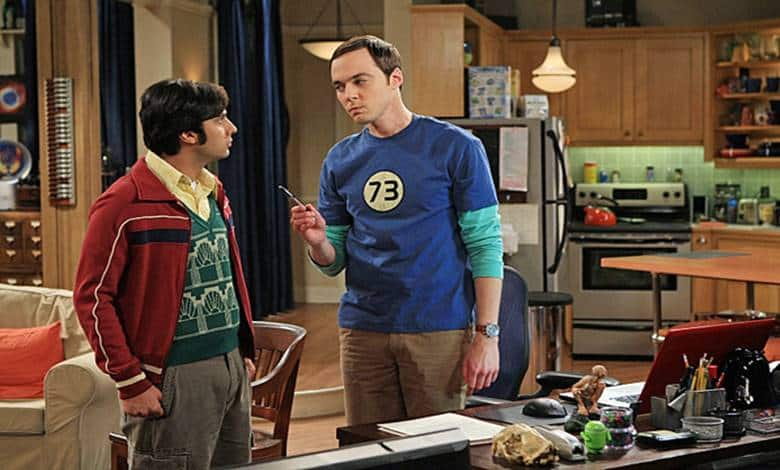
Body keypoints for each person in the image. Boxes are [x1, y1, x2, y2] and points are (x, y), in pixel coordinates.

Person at [289, 35, 504, 425]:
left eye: (360, 81)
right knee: (368, 447)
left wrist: (487, 335)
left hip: (438, 328)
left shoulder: (456, 147)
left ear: (395, 78)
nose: (349, 95)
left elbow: (485, 245)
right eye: (339, 86)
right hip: (363, 329)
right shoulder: (339, 159)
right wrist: (318, 242)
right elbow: (332, 262)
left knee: (437, 447)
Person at [73, 79, 256, 469]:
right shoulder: (123, 203)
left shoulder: (213, 191)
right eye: (220, 119)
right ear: (188, 134)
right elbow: (93, 298)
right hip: (173, 376)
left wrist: (239, 351)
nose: (231, 128)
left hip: (230, 367)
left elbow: (225, 276)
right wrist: (130, 381)